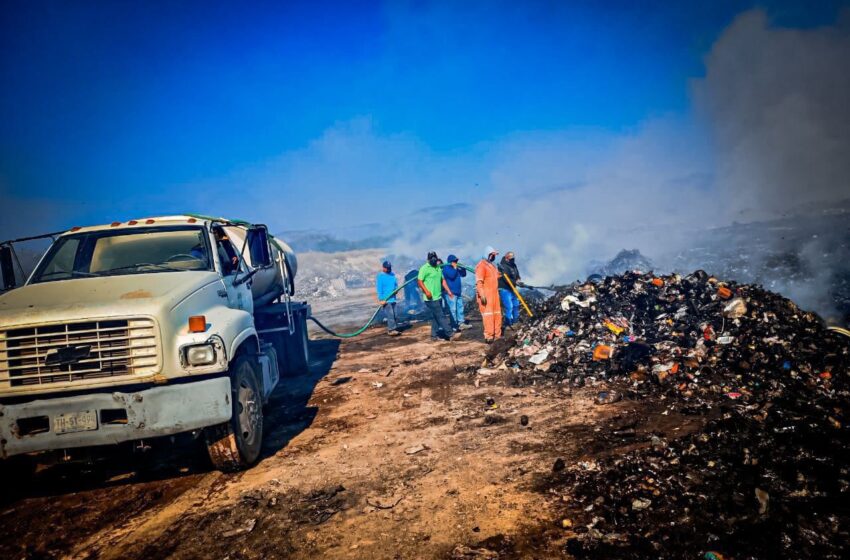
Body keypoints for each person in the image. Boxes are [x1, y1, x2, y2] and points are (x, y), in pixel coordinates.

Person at [418, 251, 459, 341]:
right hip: (430, 298)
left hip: (438, 296)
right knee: (440, 315)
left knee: (436, 317)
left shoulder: (438, 268)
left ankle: (434, 336)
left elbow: (443, 280)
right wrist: (426, 291)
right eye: (431, 258)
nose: (433, 259)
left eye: (434, 257)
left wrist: (449, 291)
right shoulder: (424, 268)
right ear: (428, 259)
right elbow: (420, 281)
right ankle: (450, 333)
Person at [475, 246, 502, 342]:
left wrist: (502, 274)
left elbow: (495, 276)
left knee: (497, 314)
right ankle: (489, 336)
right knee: (488, 315)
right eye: (492, 255)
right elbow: (479, 282)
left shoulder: (492, 266)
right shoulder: (481, 266)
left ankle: (497, 334)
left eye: (494, 255)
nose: (493, 257)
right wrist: (482, 294)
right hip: (486, 295)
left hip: (494, 294)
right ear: (488, 255)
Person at [442, 254, 469, 331]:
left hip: (458, 292)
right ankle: (454, 325)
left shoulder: (456, 268)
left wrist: (463, 269)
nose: (456, 262)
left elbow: (463, 274)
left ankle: (461, 323)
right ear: (450, 261)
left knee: (460, 308)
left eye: (456, 261)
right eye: (454, 261)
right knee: (453, 310)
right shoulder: (446, 268)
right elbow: (451, 276)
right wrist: (455, 268)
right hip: (451, 293)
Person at [498, 251, 523, 328]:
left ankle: (515, 321)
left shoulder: (513, 265)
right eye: (511, 258)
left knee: (516, 304)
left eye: (513, 258)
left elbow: (517, 273)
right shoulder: (503, 266)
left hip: (512, 288)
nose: (513, 260)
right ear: (507, 258)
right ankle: (507, 324)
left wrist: (518, 279)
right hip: (505, 289)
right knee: (509, 306)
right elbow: (506, 279)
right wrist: (515, 282)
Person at [376, 260, 400, 336]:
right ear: (383, 268)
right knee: (390, 315)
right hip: (386, 300)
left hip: (393, 298)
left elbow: (396, 285)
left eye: (390, 267)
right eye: (387, 268)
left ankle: (394, 328)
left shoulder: (393, 275)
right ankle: (391, 330)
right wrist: (381, 299)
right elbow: (379, 289)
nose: (389, 269)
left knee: (395, 315)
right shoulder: (380, 276)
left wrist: (396, 290)